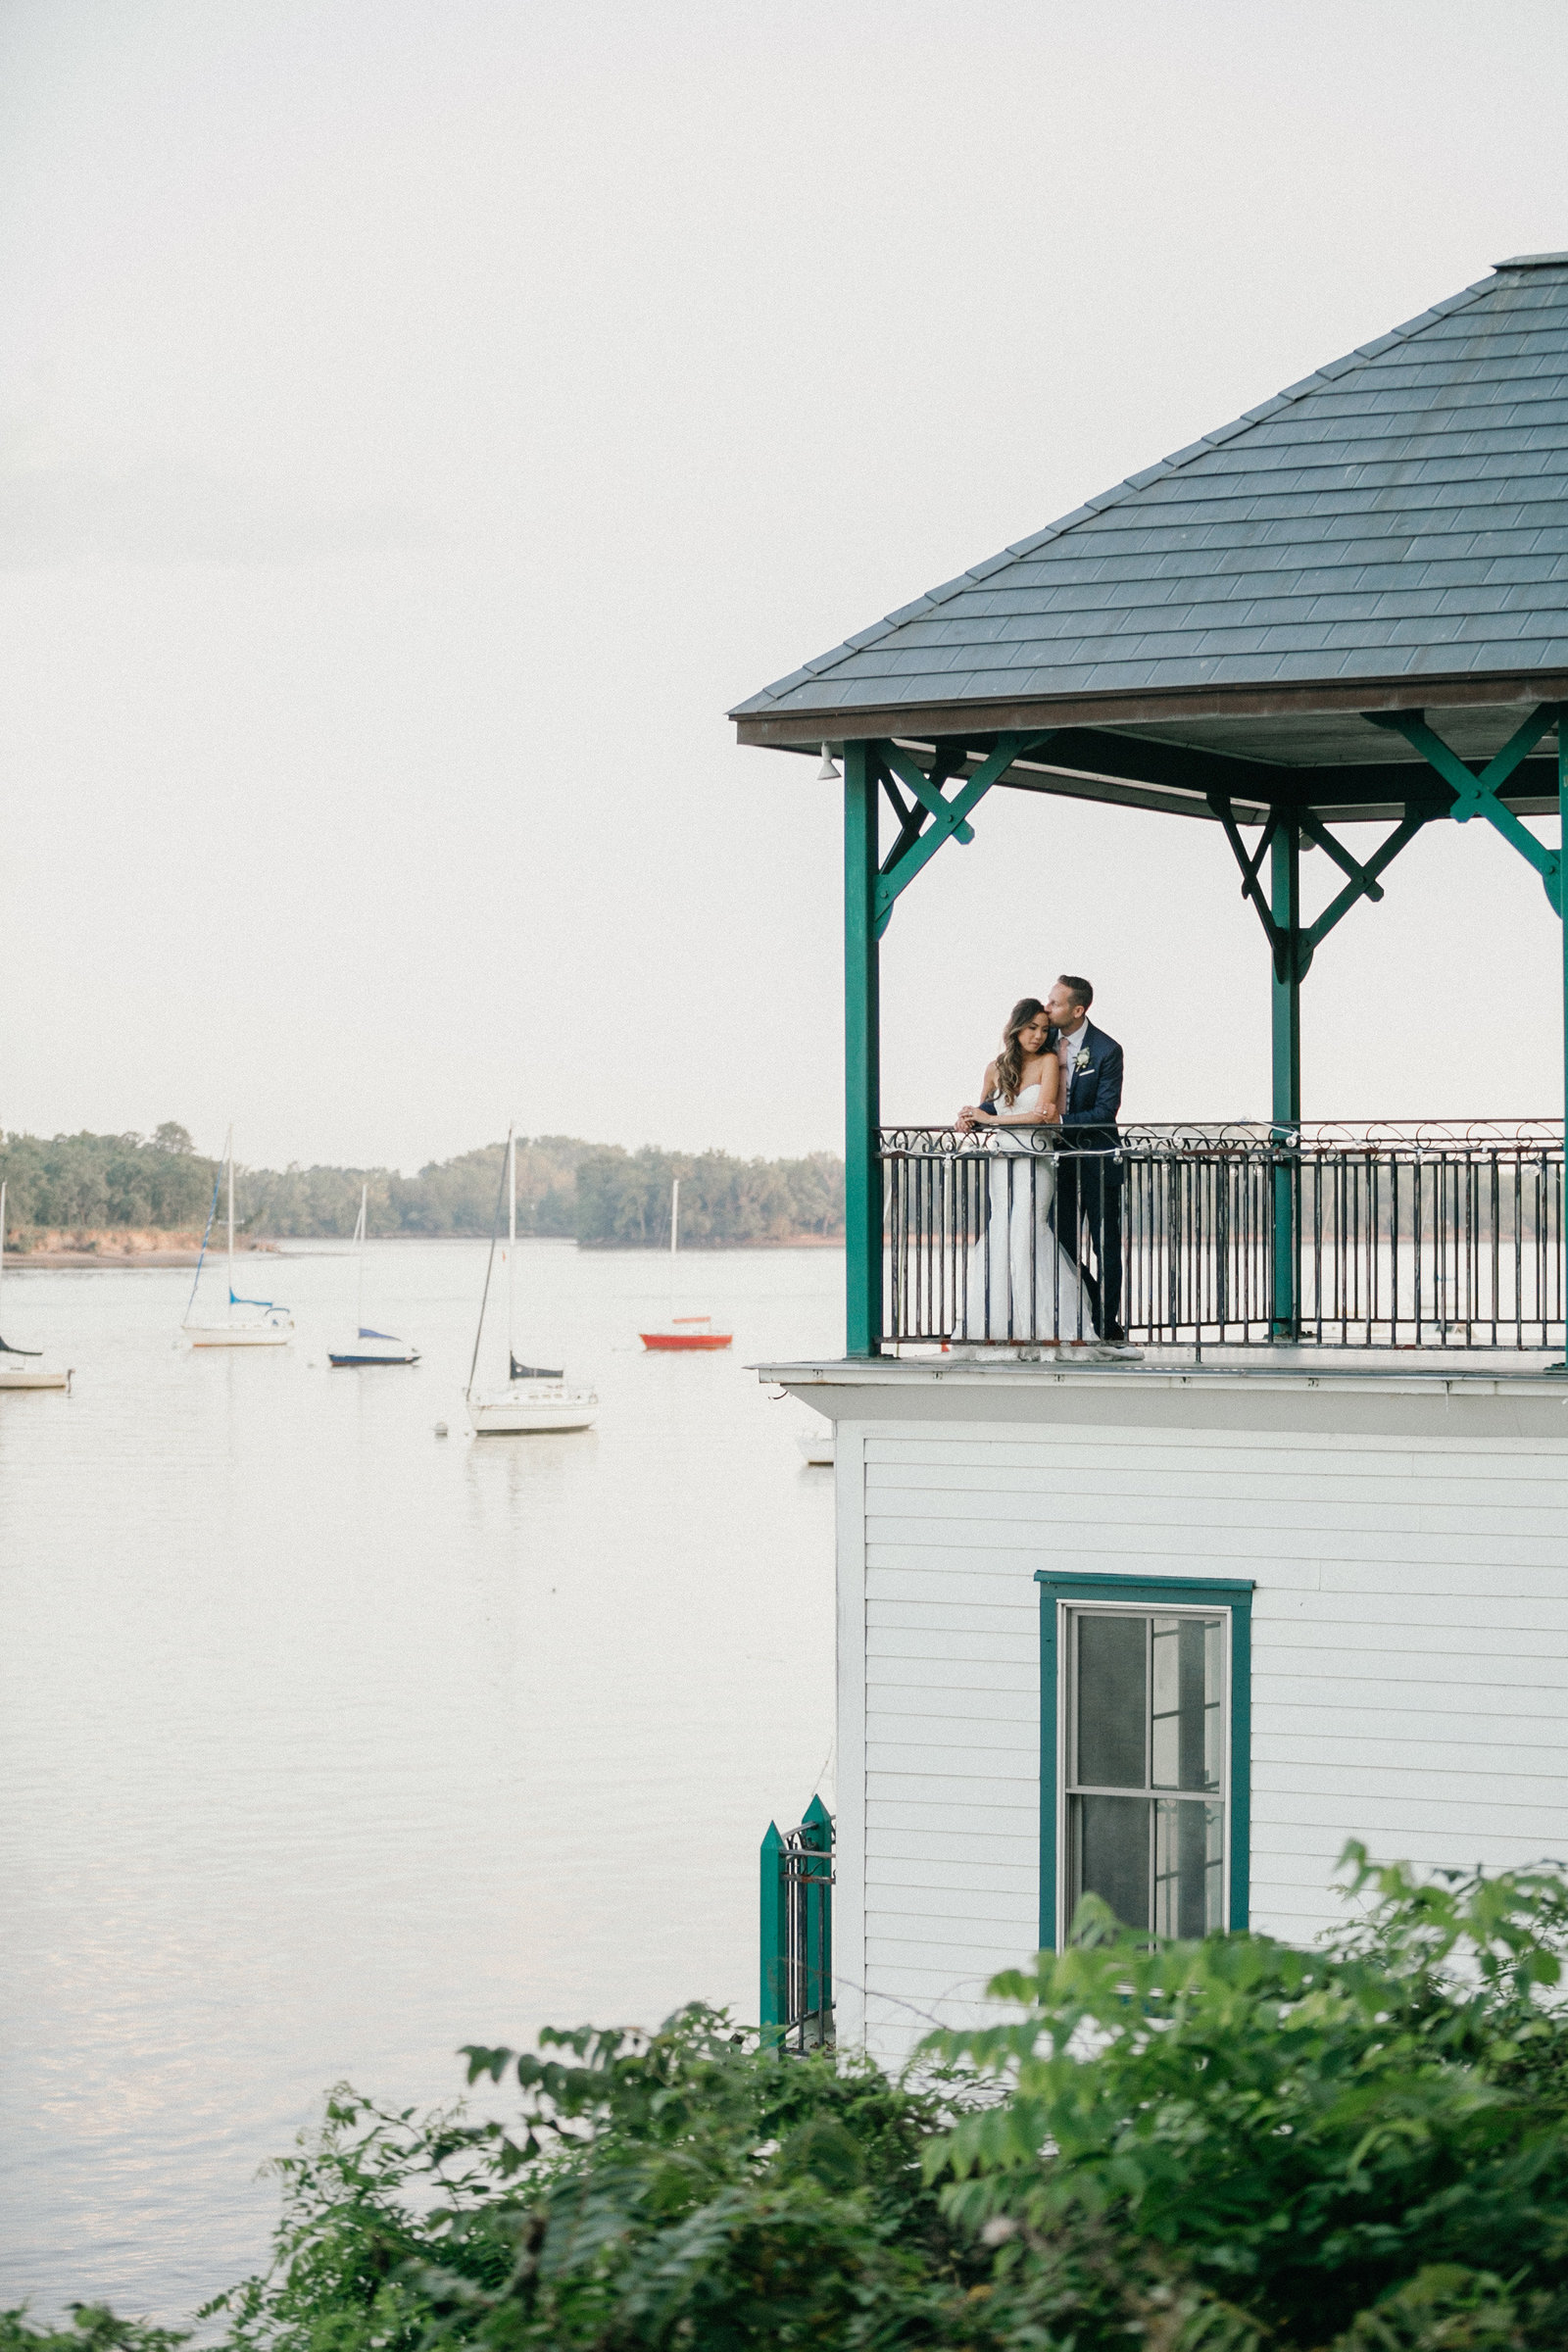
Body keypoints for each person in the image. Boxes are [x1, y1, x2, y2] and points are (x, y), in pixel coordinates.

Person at [953, 998, 1089, 1345]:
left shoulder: (1048, 1062)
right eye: (1032, 1028)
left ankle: (1046, 1329)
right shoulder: (995, 1068)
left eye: (1044, 1030)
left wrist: (992, 1120)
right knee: (1001, 1231)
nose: (1039, 1036)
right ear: (1017, 1027)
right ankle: (1000, 1329)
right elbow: (980, 1110)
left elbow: (1042, 1115)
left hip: (1036, 1157)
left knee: (1028, 1231)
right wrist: (967, 1119)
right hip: (1002, 1161)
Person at [1043, 975, 1129, 1345]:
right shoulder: (1041, 1042)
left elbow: (1106, 1110)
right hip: (1054, 1164)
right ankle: (1089, 1305)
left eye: (1055, 1004)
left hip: (1098, 1160)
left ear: (1077, 1010)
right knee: (1057, 1244)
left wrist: (1061, 1122)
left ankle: (1107, 1326)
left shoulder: (1107, 1050)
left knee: (1105, 1246)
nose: (1047, 1009)